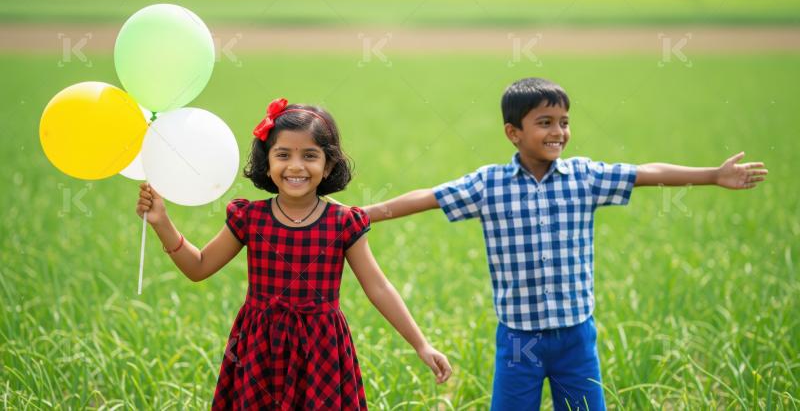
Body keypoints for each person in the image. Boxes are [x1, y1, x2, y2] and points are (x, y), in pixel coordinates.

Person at [361, 78, 767, 410]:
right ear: (513, 133)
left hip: (576, 336)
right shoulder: (489, 185)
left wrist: (713, 174)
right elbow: (428, 197)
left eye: (564, 122)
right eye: (545, 122)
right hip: (520, 341)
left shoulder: (583, 177)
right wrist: (364, 215)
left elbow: (645, 172)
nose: (558, 132)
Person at [136, 98, 452, 409]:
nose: (296, 166)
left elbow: (379, 287)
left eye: (310, 156)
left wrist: (422, 345)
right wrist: (162, 222)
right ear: (268, 162)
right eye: (283, 155)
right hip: (259, 350)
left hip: (322, 352)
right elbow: (199, 267)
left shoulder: (343, 224)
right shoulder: (250, 218)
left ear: (328, 166)